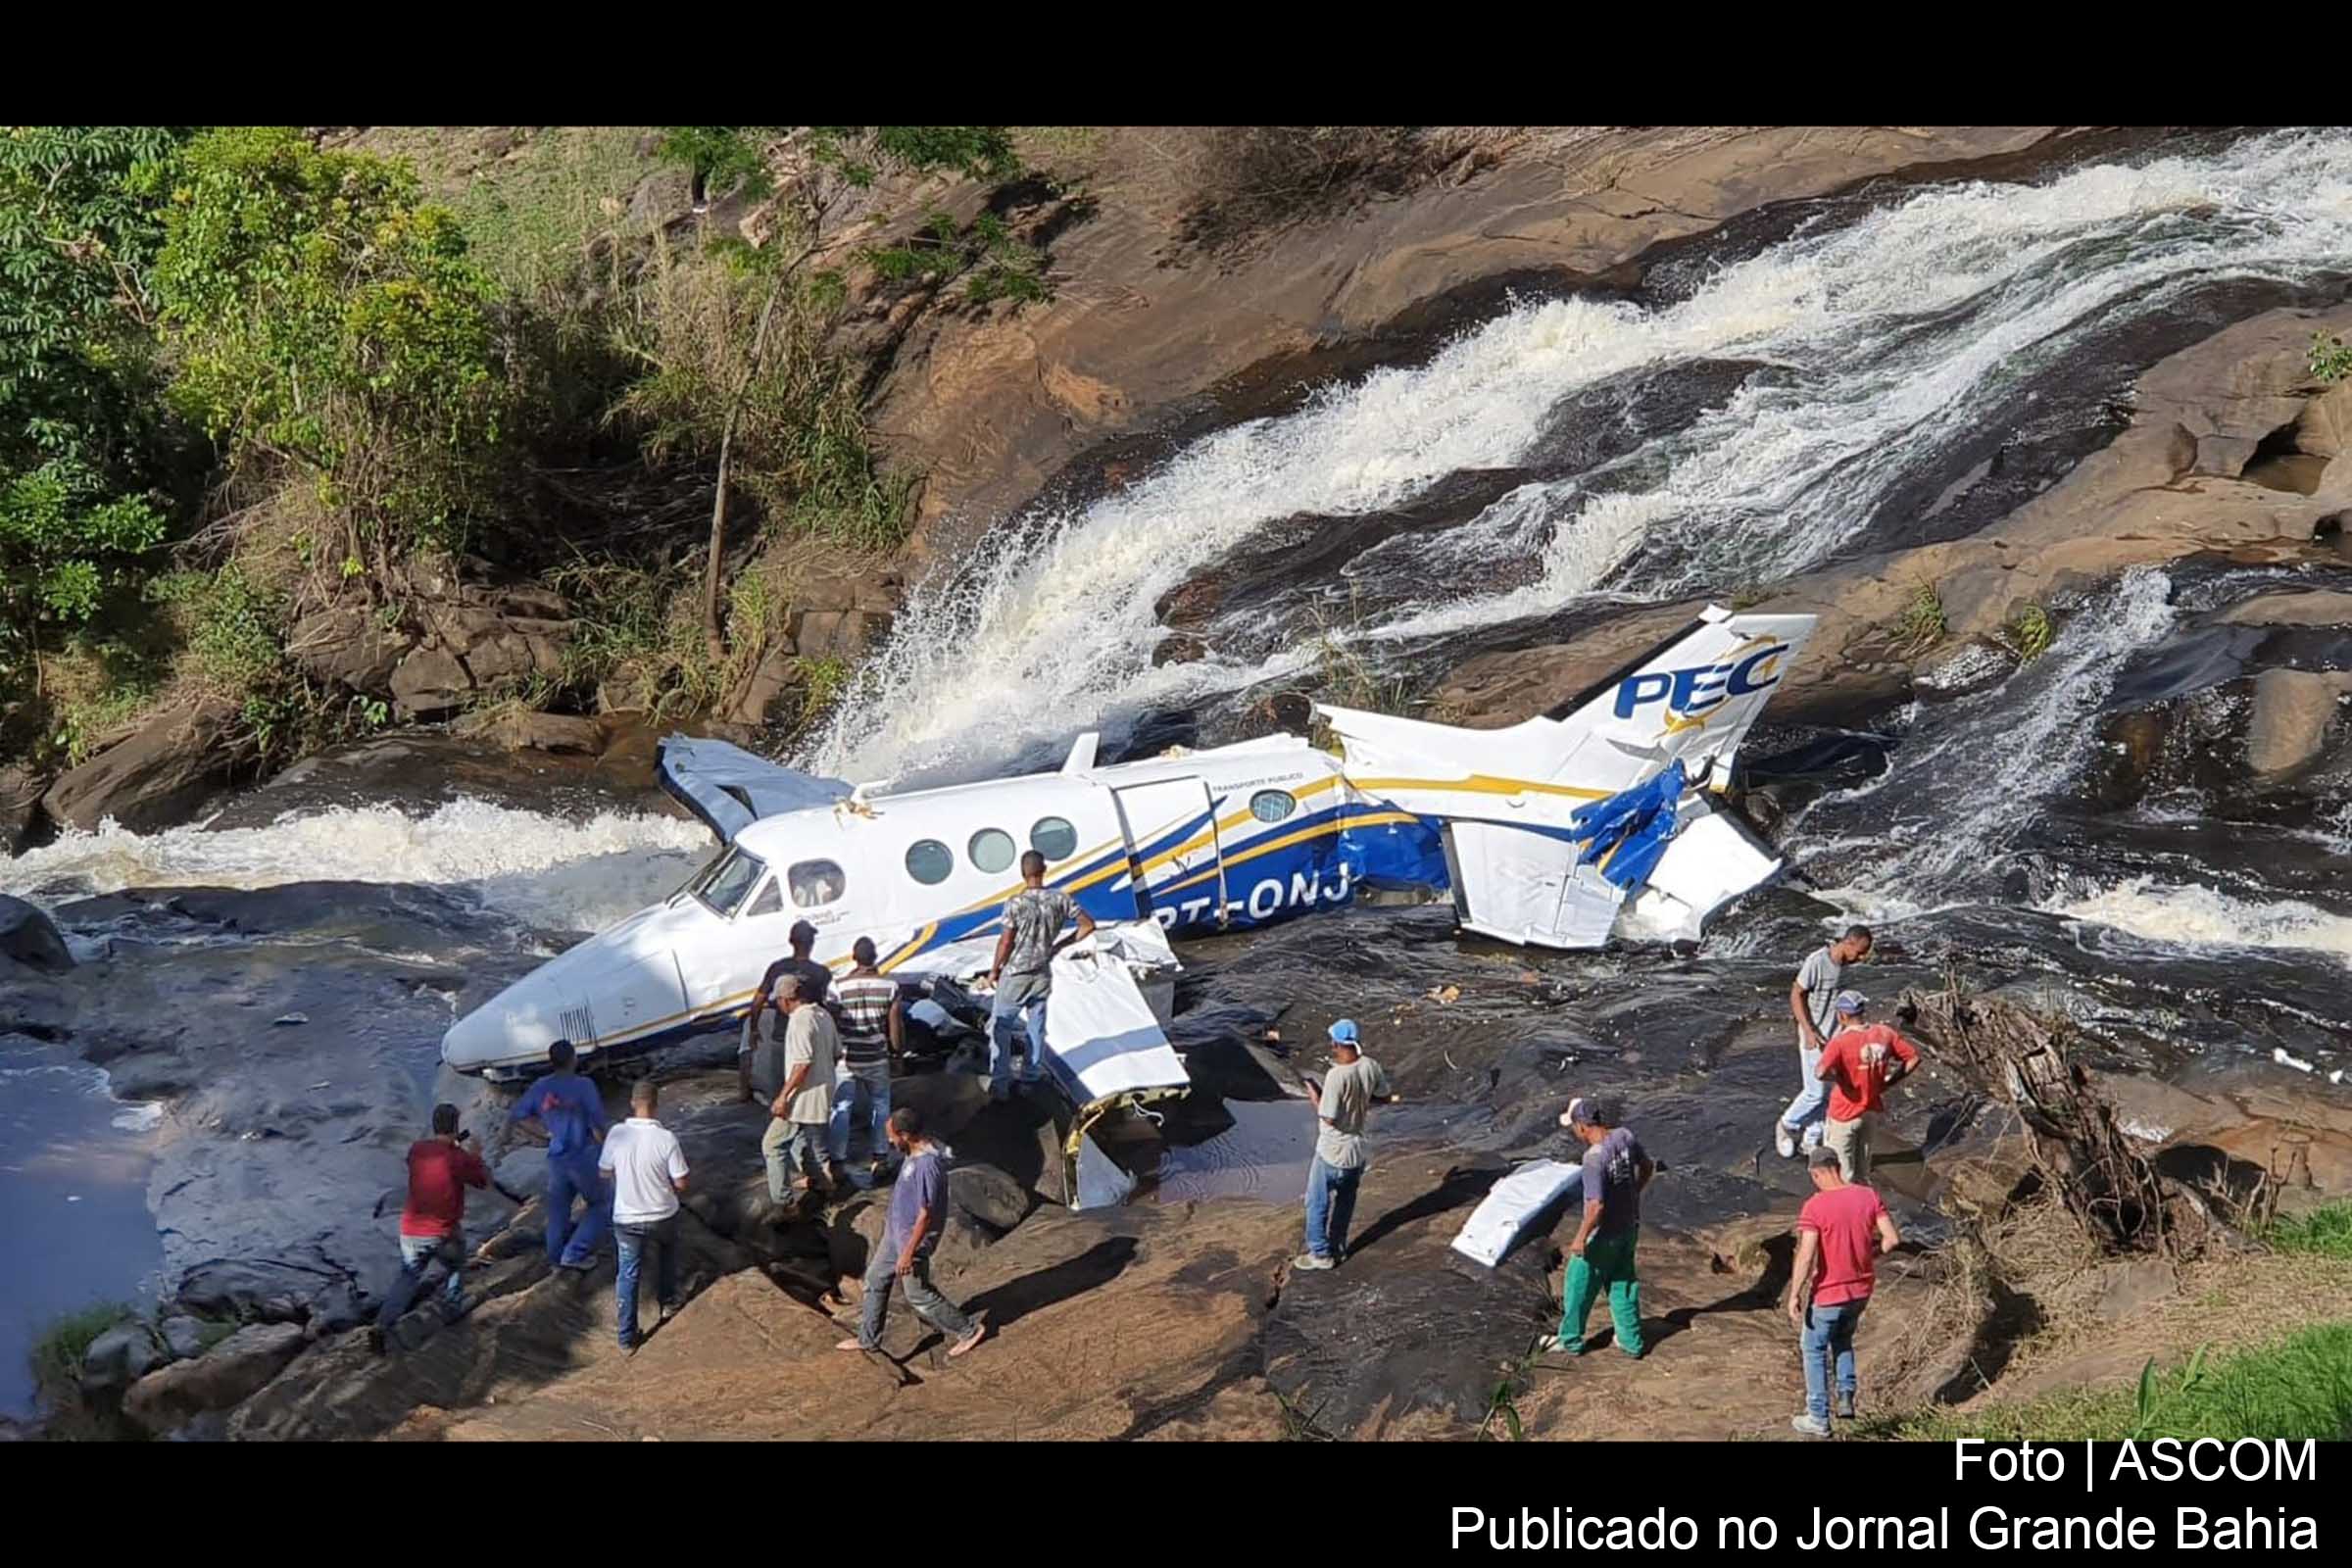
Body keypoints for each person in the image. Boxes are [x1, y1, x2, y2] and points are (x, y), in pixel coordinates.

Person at [836, 1105, 988, 1360]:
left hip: (912, 1241)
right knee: (874, 1279)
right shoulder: (912, 1153)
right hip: (895, 1234)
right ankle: (868, 1338)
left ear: (905, 1134)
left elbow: (925, 1214)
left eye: (892, 1135)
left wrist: (907, 1253)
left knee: (918, 1294)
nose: (889, 1140)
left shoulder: (927, 1166)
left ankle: (968, 1329)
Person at [1787, 1144, 1902, 1436]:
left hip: (1829, 1292)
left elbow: (1806, 1254)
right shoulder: (1868, 1195)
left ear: (1815, 1174)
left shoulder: (1815, 1206)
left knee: (1812, 1348)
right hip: (1861, 1289)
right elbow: (1891, 1239)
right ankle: (1847, 1394)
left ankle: (1818, 1417)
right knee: (1843, 1339)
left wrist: (1794, 1294)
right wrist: (1870, 1255)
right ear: (1837, 1167)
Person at [373, 1102, 489, 1348]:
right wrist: (475, 1155)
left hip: (410, 1229)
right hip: (442, 1232)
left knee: (407, 1277)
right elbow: (481, 1181)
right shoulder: (458, 1158)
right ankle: (452, 1305)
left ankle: (383, 1324)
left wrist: (453, 1146)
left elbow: (429, 1163)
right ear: (456, 1127)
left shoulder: (417, 1150)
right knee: (456, 1263)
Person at [986, 851, 1094, 1100]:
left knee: (1000, 1026)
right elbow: (1088, 925)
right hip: (1042, 972)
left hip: (1016, 973)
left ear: (1023, 874)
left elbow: (1005, 941)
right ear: (1044, 870)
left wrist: (994, 971)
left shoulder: (1015, 903)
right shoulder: (1060, 899)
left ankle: (1000, 1084)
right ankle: (1030, 1078)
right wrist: (1058, 946)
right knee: (1036, 1027)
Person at [1294, 1019, 1399, 1271]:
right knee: (1345, 1201)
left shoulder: (1336, 1076)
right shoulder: (1370, 1066)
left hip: (1332, 1150)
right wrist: (1360, 1100)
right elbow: (1384, 1096)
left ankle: (1320, 1254)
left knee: (1316, 1203)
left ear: (1336, 1044)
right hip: (1357, 1150)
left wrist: (1314, 1096)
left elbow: (1328, 1117)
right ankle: (1338, 1248)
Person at [1554, 1095, 1654, 1358]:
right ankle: (1631, 1342)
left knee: (1577, 1284)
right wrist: (1634, 1193)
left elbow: (1595, 1206)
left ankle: (1570, 1340)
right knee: (1623, 1283)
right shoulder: (1624, 1136)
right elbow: (1647, 1166)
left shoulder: (1593, 1159)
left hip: (1604, 1234)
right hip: (1629, 1227)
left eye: (1574, 1127)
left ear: (1582, 1126)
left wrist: (1580, 1237)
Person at [600, 1079, 690, 1354]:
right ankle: (668, 1302)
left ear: (632, 1103)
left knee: (628, 1274)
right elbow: (682, 1183)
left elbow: (603, 1172)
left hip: (627, 1219)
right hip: (662, 1214)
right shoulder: (666, 1138)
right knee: (668, 1252)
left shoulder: (616, 1134)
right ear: (656, 1104)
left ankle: (627, 1339)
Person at [507, 1039, 611, 1270]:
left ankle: (555, 1259)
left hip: (556, 1158)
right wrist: (609, 1155)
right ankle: (574, 1253)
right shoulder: (584, 1085)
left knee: (557, 1210)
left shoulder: (540, 1087)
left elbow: (518, 1116)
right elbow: (598, 1124)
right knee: (601, 1203)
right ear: (573, 1059)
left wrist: (544, 1134)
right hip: (582, 1155)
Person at [1776, 925, 1874, 1159]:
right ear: (1848, 942)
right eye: (1859, 952)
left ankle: (1811, 1139)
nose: (1861, 958)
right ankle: (1786, 1125)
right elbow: (1796, 993)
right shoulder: (1818, 961)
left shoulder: (1847, 966)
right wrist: (1809, 1031)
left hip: (1836, 1037)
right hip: (1815, 1037)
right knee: (1815, 1092)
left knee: (1830, 1092)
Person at [1813, 990, 1920, 1185]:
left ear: (1842, 1015)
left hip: (1843, 1112)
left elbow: (1820, 1072)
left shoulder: (1840, 1042)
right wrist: (1889, 1083)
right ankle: (1864, 1207)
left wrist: (1839, 1078)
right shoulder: (1884, 1033)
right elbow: (1913, 1058)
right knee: (1863, 1170)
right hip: (1870, 1109)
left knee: (1842, 1174)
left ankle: (1847, 1211)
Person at [759, 974, 838, 1211]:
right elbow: (836, 1053)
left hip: (803, 1095)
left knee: (772, 1145)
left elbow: (802, 1063)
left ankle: (785, 1204)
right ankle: (821, 1181)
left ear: (785, 999)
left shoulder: (800, 1021)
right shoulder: (823, 1015)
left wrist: (783, 1096)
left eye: (778, 1001)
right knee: (800, 1141)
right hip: (823, 1089)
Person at [829, 937, 903, 1183]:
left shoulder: (837, 987)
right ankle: (880, 1158)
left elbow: (833, 1023)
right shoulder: (890, 986)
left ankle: (837, 1162)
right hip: (876, 1057)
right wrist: (897, 1054)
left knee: (841, 1108)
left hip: (846, 1057)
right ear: (875, 957)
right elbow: (894, 1026)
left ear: (854, 957)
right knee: (880, 1106)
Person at [756, 919, 832, 1014]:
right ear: (812, 942)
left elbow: (759, 999)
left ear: (791, 941)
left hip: (782, 1026)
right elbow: (827, 1004)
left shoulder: (776, 968)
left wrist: (754, 1027)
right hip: (809, 1025)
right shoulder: (822, 972)